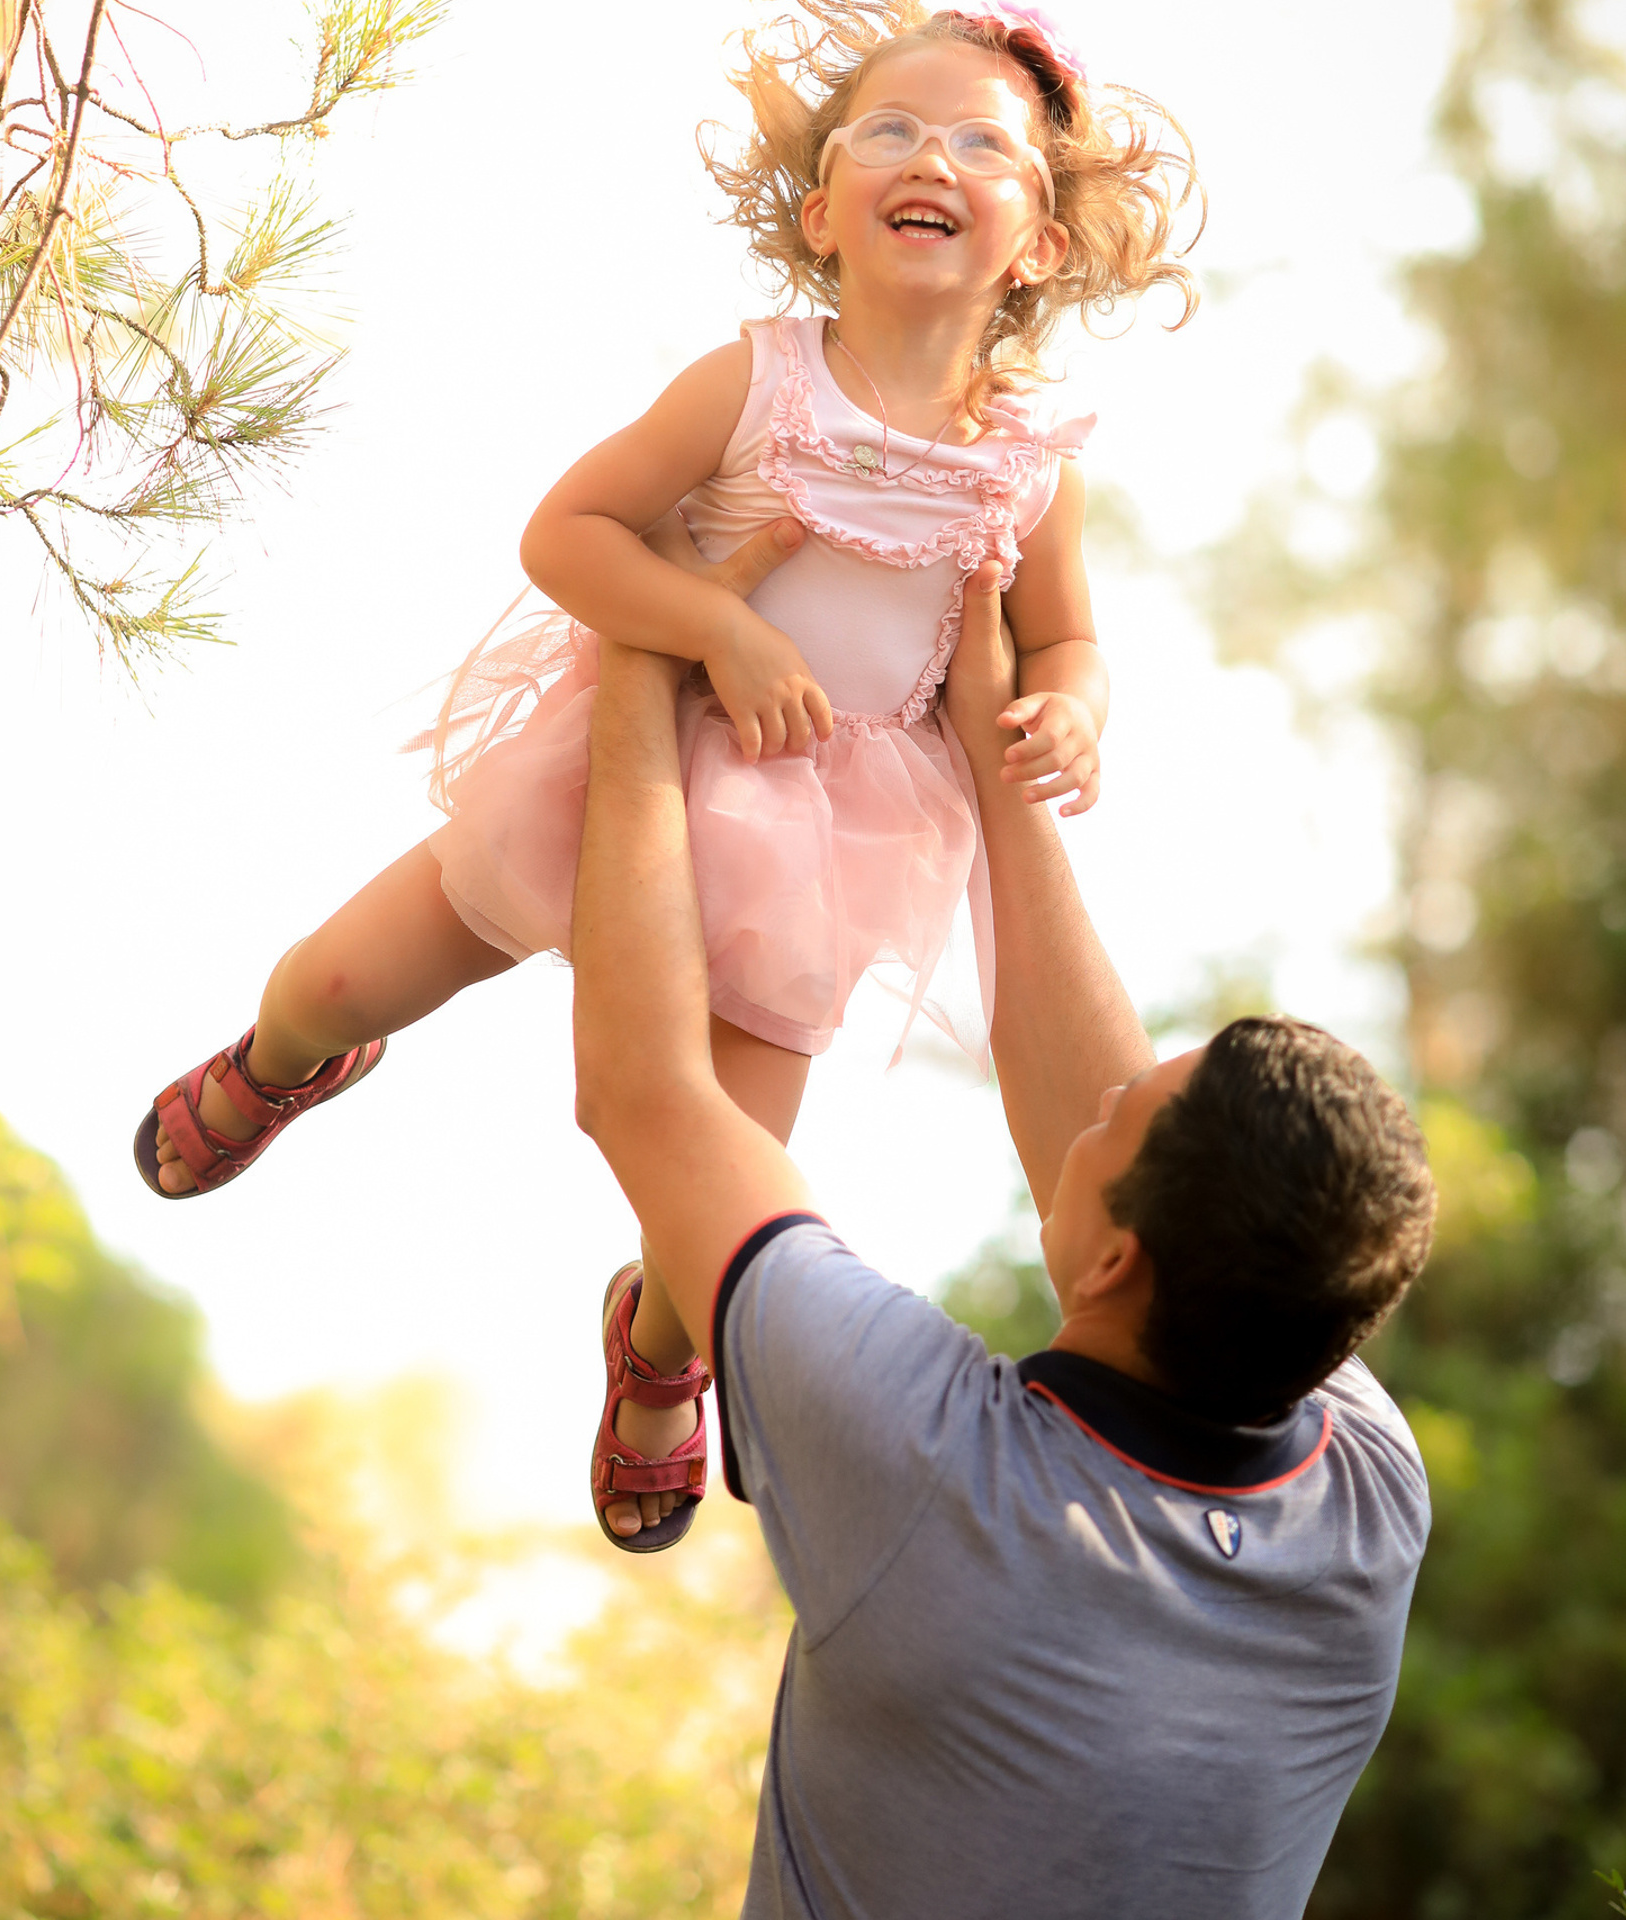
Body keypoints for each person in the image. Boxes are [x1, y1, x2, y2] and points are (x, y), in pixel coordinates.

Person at [132, 1, 1199, 1548]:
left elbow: (1069, 641)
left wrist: (1075, 713)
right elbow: (565, 535)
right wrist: (715, 626)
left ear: (1037, 238)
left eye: (985, 145)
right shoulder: (757, 381)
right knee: (343, 972)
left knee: (724, 1193)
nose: (933, 159)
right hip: (627, 761)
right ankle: (292, 1051)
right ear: (824, 207)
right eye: (891, 130)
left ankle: (654, 1352)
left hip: (825, 840)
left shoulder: (1032, 468)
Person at [570, 553, 1438, 1918]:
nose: (1075, 1124)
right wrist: (992, 754)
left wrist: (642, 641)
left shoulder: (932, 1473)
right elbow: (1117, 1127)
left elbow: (646, 1090)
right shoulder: (1364, 1501)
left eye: (1112, 1127)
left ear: (1114, 1263)